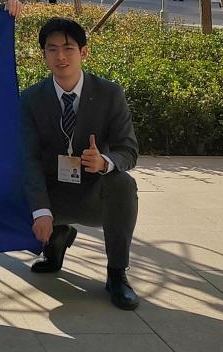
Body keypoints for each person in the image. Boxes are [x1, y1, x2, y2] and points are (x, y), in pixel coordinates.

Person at [20, 17, 140, 310]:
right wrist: (40, 210)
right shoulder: (31, 99)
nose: (60, 56)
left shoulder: (110, 94)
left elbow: (128, 150)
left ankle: (117, 275)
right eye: (52, 49)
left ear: (83, 52)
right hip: (52, 193)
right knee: (5, 197)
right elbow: (28, 158)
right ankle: (56, 237)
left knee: (123, 184)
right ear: (43, 54)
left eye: (68, 48)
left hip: (93, 194)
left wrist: (104, 162)